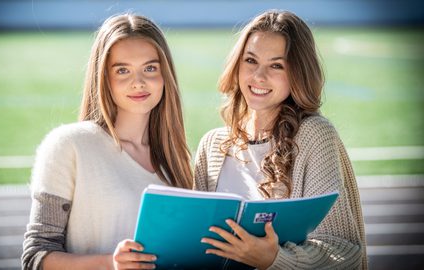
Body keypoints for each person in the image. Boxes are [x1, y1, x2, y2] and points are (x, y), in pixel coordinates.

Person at [194, 10, 367, 269]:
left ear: (298, 73)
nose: (258, 76)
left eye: (276, 65)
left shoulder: (314, 135)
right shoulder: (212, 145)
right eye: (250, 60)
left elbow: (344, 251)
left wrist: (275, 259)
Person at [22, 13, 193, 270]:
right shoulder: (69, 144)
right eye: (122, 70)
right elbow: (35, 257)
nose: (139, 82)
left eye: (150, 68)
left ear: (165, 75)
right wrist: (110, 263)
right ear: (104, 78)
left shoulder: (176, 160)